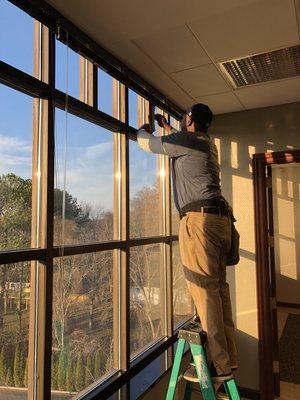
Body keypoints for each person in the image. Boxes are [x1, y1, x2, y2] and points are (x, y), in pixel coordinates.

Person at [136, 103, 238, 382]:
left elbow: (146, 143)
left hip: (200, 223)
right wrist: (169, 128)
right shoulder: (205, 143)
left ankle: (219, 367)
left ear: (190, 120)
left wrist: (144, 129)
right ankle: (229, 360)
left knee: (204, 291)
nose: (182, 121)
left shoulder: (188, 140)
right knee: (219, 289)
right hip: (220, 221)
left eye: (184, 118)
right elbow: (179, 145)